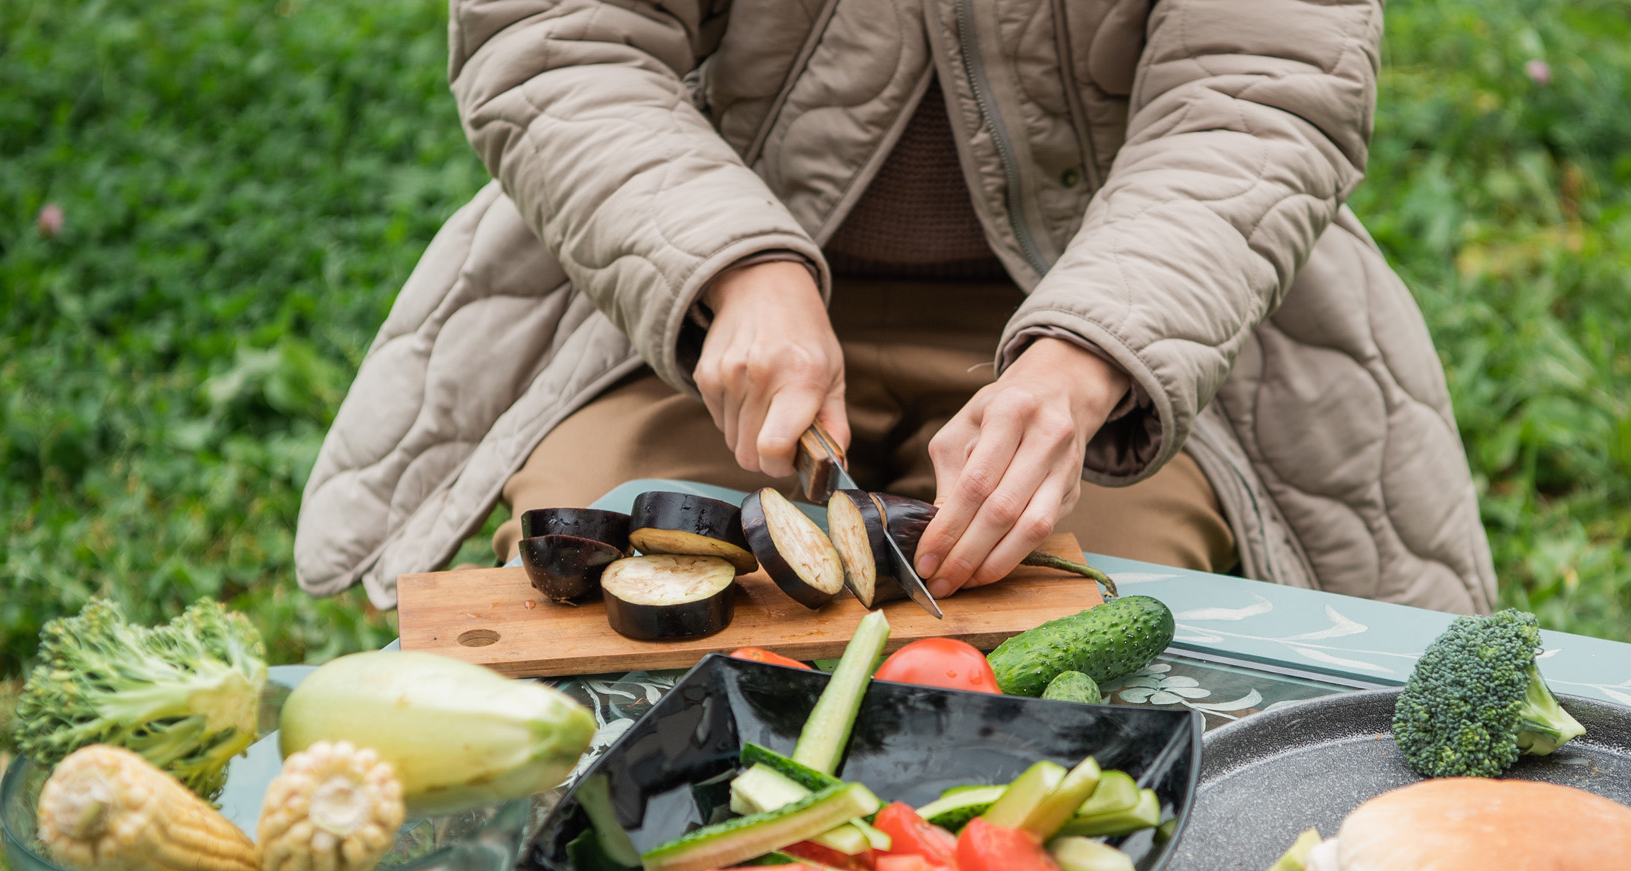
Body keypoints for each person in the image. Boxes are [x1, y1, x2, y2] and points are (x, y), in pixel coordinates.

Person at [295, 0, 1494, 615]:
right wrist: (733, 268)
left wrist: (1087, 356)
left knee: (1084, 679)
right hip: (695, 303)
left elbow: (1261, 95)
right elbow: (559, 43)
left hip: (1117, 323)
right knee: (606, 643)